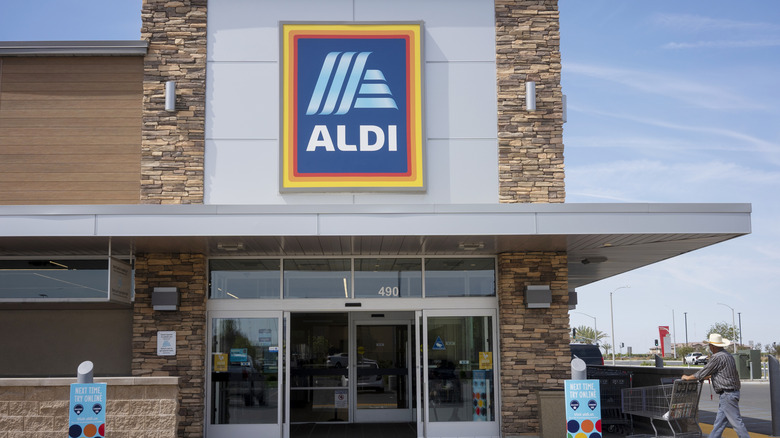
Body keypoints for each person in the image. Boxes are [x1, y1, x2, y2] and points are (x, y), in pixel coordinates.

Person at [682, 333, 749, 438]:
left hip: (727, 394)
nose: (709, 348)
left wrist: (688, 377)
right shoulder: (728, 355)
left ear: (713, 346)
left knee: (737, 423)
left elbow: (703, 372)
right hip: (730, 393)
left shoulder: (717, 357)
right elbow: (724, 373)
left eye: (709, 346)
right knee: (719, 424)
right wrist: (712, 377)